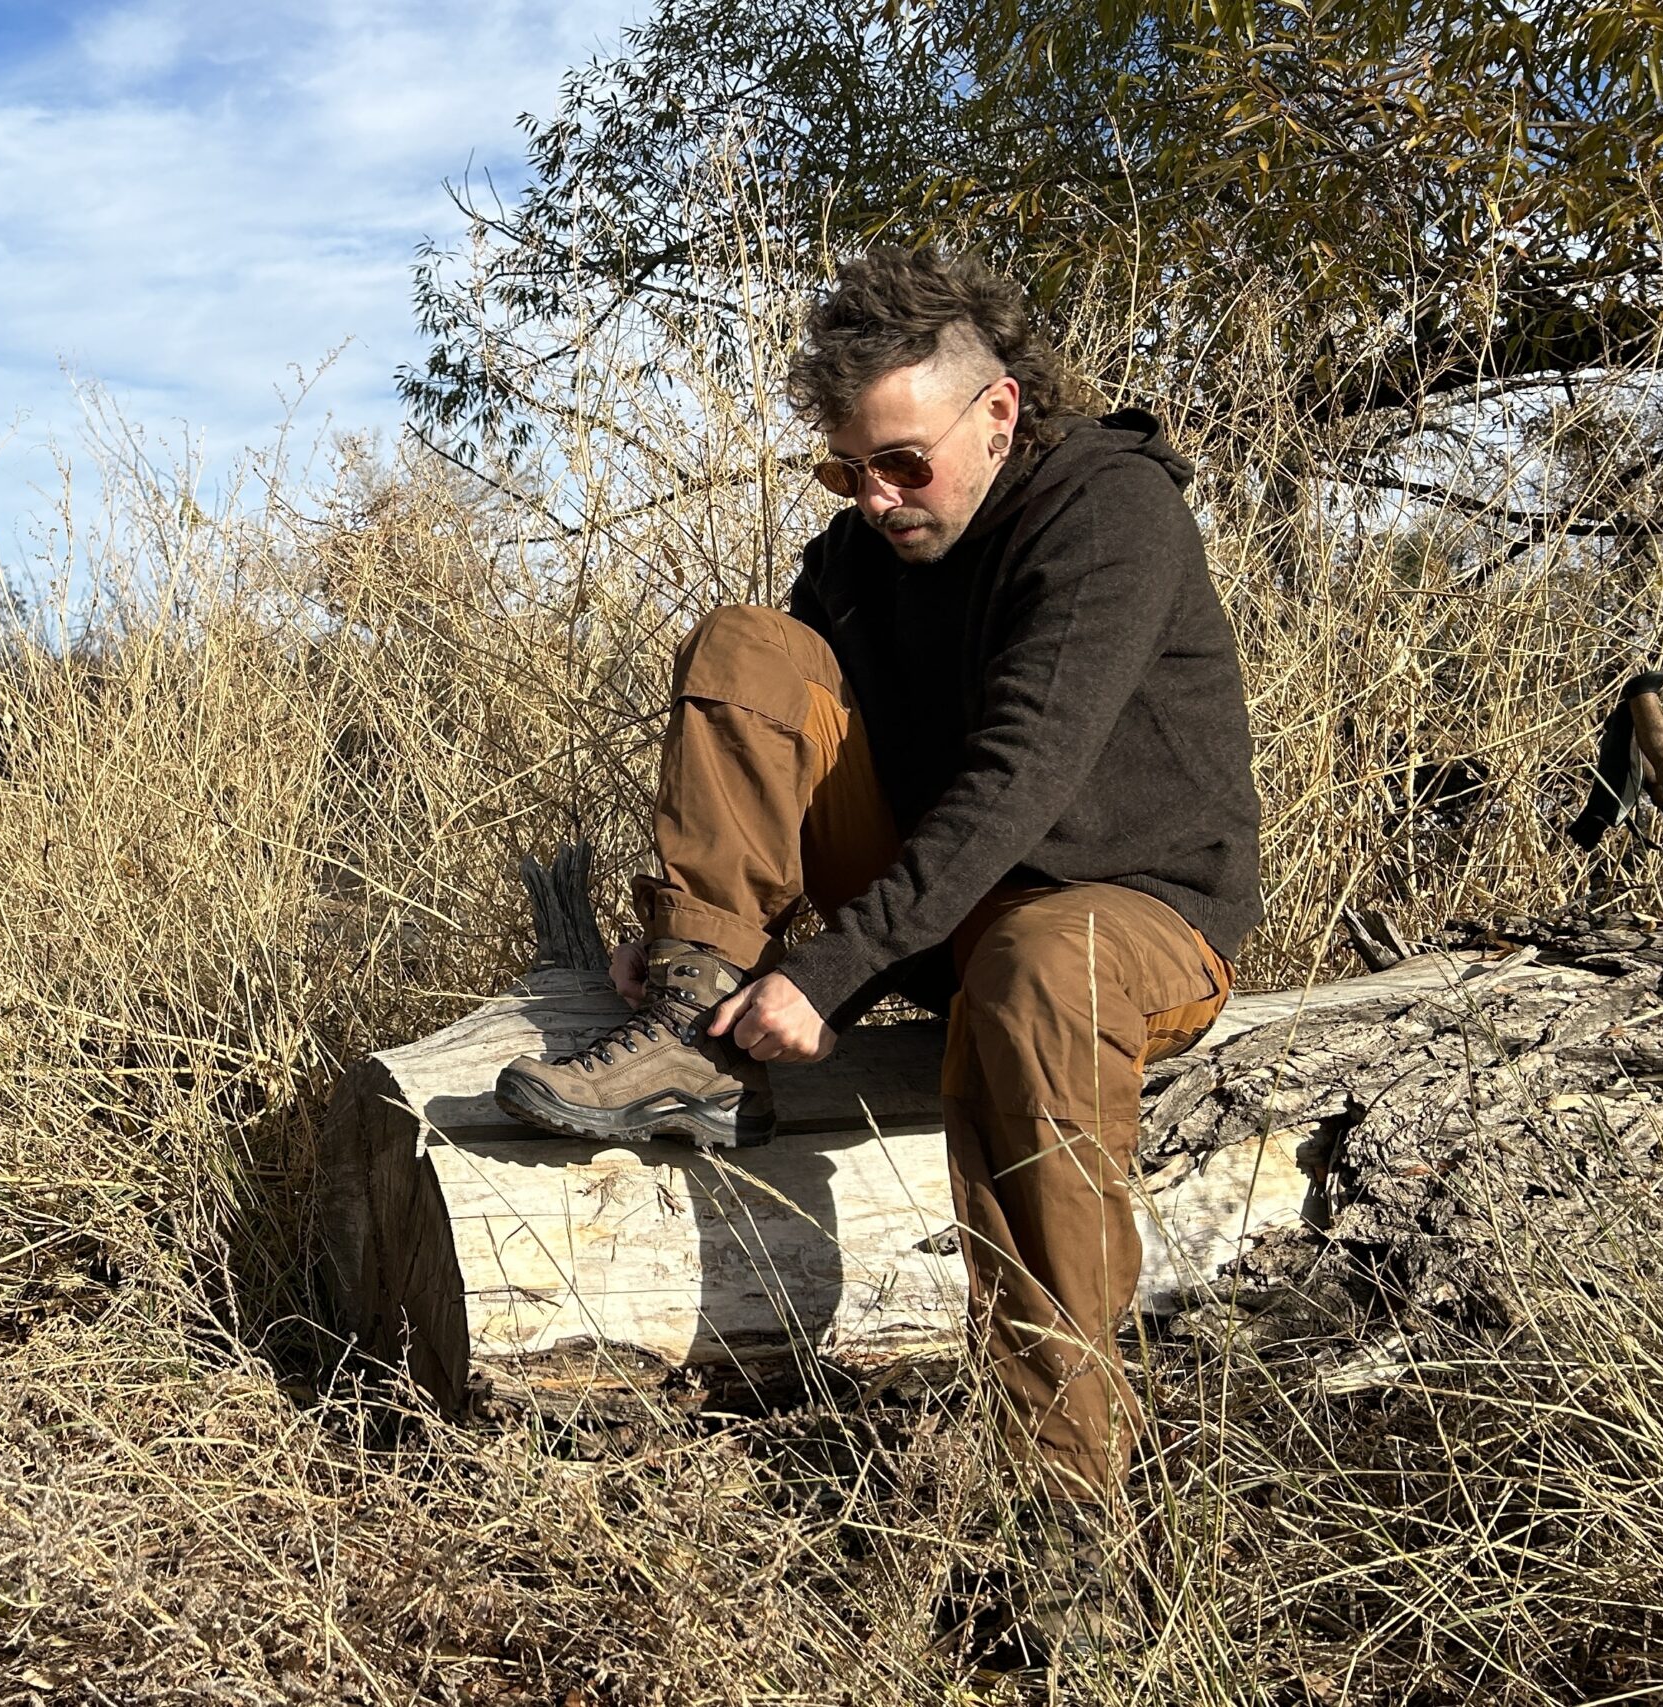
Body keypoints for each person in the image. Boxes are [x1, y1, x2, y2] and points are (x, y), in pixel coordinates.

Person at [492, 247, 1263, 1673]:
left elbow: (1023, 780)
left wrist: (830, 970)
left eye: (903, 465)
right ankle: (681, 1024)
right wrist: (712, 937)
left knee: (1042, 969)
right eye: (850, 473)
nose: (879, 501)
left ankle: (1065, 1524)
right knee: (752, 645)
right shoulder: (861, 547)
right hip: (946, 909)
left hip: (1128, 909)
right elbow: (781, 734)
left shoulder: (1110, 512)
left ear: (1001, 413)